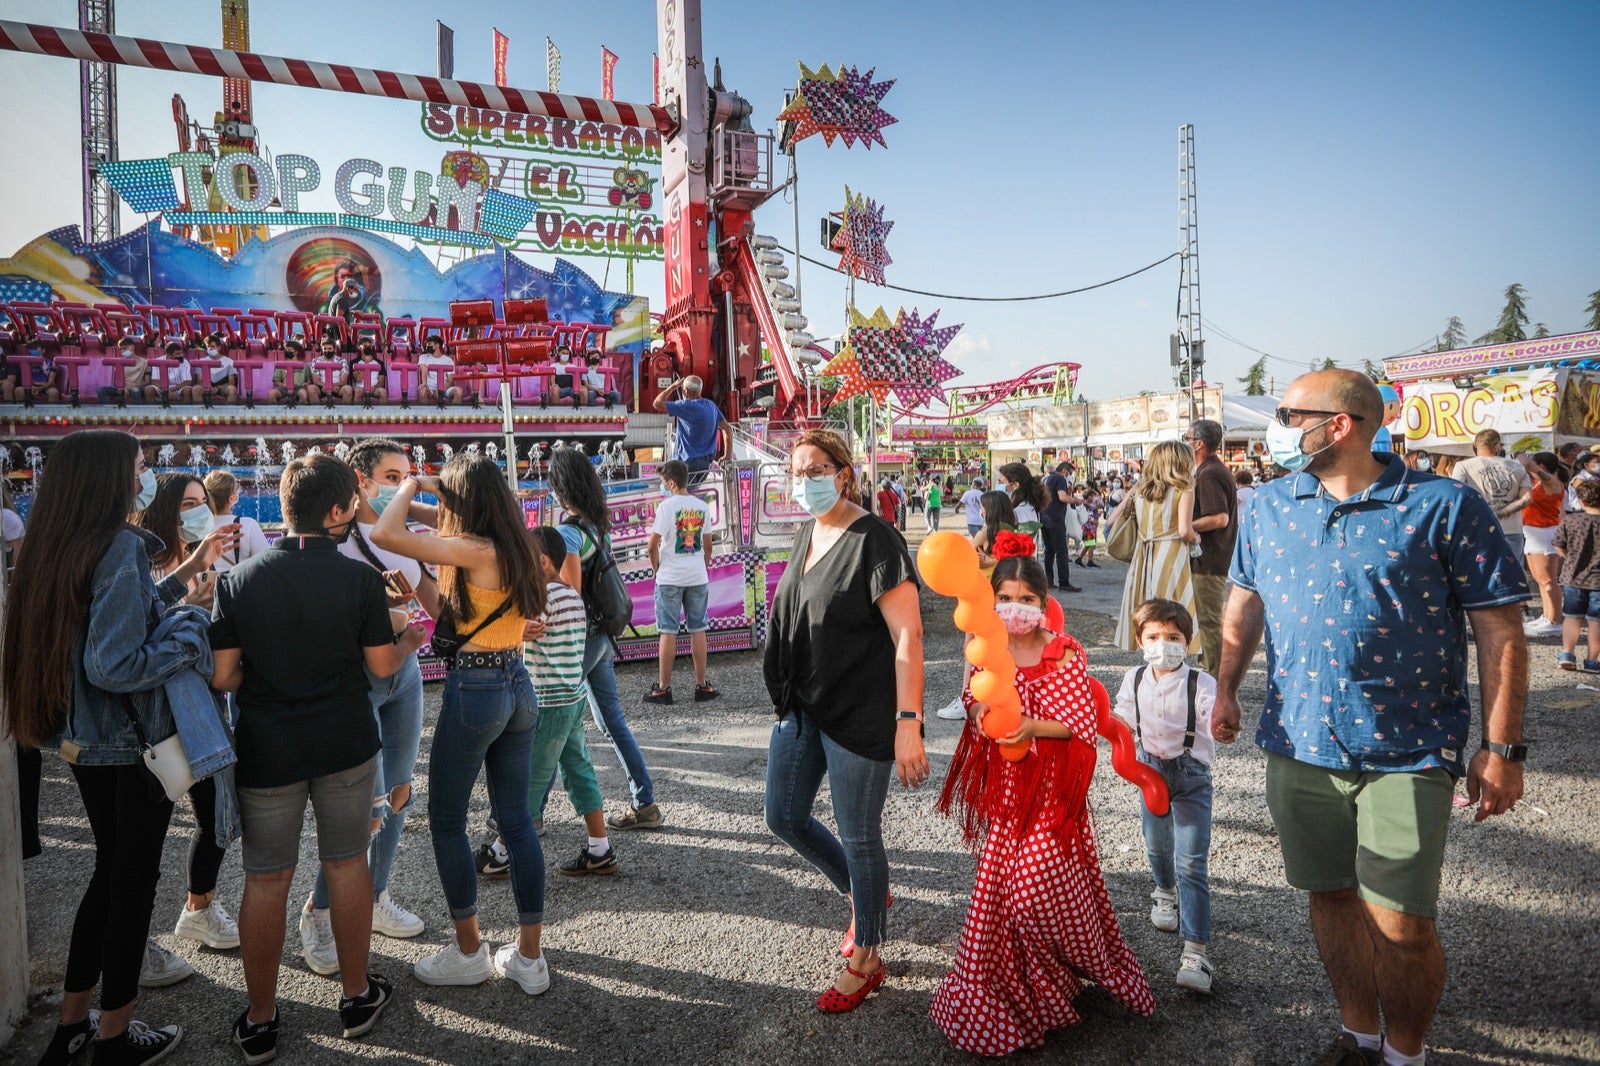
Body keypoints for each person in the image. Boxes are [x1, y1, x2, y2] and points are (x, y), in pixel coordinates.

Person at [1214, 370, 1530, 1066]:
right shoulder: (1268, 506)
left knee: (1403, 924)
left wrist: (1502, 747)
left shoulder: (1444, 506)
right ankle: (1358, 1035)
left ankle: (1405, 1053)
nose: (1277, 424)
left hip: (1409, 751)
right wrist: (1226, 688)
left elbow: (1501, 632)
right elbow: (1243, 604)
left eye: (1289, 413)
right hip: (1297, 745)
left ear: (1342, 424)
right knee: (1329, 899)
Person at [2, 430, 230, 1066]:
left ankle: (73, 1025)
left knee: (108, 880)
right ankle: (115, 1036)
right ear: (109, 477)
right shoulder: (121, 545)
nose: (144, 478)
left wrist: (179, 589)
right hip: (131, 750)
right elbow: (115, 661)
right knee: (131, 888)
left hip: (87, 745)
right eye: (138, 467)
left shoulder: (60, 543)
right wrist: (189, 632)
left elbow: (109, 623)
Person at [210, 454, 426, 1060]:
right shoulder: (357, 581)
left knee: (266, 877)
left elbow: (224, 677)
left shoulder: (238, 580)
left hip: (268, 745)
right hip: (343, 743)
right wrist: (409, 636)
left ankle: (260, 1017)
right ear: (337, 511)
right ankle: (356, 997)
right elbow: (382, 666)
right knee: (347, 866)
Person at [930, 551, 1154, 1054]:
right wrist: (979, 709)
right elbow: (971, 705)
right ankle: (1033, 992)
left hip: (1051, 796)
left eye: (1025, 599)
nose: (1014, 608)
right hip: (1006, 797)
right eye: (1004, 599)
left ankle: (1072, 964)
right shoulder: (984, 649)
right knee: (1004, 903)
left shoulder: (1064, 652)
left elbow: (1079, 726)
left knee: (1032, 895)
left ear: (1043, 602)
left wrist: (1031, 727)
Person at [370, 456, 552, 995]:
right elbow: (420, 516)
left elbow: (386, 530)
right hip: (517, 683)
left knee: (446, 819)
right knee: (516, 822)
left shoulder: (476, 549)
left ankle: (470, 951)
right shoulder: (512, 538)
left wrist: (411, 483)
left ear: (464, 500)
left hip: (477, 688)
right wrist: (435, 493)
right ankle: (530, 959)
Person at [763, 428, 927, 1013]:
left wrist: (909, 721)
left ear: (842, 473)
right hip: (803, 702)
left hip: (860, 709)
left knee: (859, 833)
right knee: (782, 815)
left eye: (814, 469)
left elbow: (907, 634)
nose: (803, 480)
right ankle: (866, 896)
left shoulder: (875, 538)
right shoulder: (810, 531)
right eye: (795, 471)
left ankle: (868, 954)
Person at [295, 440, 437, 977]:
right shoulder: (337, 537)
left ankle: (375, 897)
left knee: (399, 793)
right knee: (366, 810)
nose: (403, 483)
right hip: (360, 679)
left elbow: (436, 604)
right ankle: (319, 911)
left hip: (405, 675)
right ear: (360, 478)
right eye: (391, 474)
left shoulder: (406, 537)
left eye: (408, 473)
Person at [132, 475, 246, 962]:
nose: (200, 511)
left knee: (217, 812)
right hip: (155, 716)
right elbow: (137, 637)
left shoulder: (212, 559)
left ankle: (198, 907)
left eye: (203, 503)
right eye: (189, 504)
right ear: (163, 510)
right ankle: (137, 942)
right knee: (146, 827)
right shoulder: (145, 565)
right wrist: (191, 606)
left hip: (204, 705)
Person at [548, 448, 663, 831]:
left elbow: (568, 593)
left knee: (551, 723)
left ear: (559, 487)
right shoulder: (597, 525)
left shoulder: (567, 534)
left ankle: (528, 816)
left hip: (577, 641)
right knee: (612, 722)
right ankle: (644, 802)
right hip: (601, 639)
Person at [1113, 598, 1218, 993]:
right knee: (1157, 846)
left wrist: (1224, 725)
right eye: (1154, 636)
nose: (1163, 644)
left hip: (1191, 777)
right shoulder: (1134, 678)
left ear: (1187, 642)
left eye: (1172, 637)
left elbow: (1216, 717)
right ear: (1141, 641)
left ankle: (1196, 951)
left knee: (1191, 862)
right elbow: (1121, 716)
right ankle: (1163, 892)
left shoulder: (1202, 683)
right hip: (1148, 771)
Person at [1109, 440, 1200, 652]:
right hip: (1171, 553)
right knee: (1172, 609)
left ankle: (1147, 647)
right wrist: (1197, 538)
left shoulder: (1139, 489)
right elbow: (1185, 530)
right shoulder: (1184, 489)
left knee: (1147, 607)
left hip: (1143, 555)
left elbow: (1113, 519)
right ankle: (1171, 652)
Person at [644, 459, 717, 704]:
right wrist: (701, 566)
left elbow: (652, 545)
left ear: (672, 482)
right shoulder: (702, 507)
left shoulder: (666, 507)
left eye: (664, 483)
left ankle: (663, 688)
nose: (663, 486)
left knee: (668, 630)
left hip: (670, 577)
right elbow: (708, 545)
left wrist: (656, 569)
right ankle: (702, 685)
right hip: (697, 574)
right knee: (698, 629)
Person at [1184, 420, 1238, 675]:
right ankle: (1210, 670)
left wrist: (1185, 526)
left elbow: (1219, 517)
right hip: (1212, 558)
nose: (1184, 441)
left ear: (1199, 443)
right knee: (1207, 620)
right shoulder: (1211, 470)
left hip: (1209, 560)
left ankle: (1213, 674)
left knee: (1208, 621)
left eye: (1187, 437)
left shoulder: (1209, 473)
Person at [1454, 429, 1532, 559]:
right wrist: (1501, 513)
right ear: (1497, 446)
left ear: (1475, 445)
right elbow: (1527, 498)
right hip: (1511, 529)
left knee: (1482, 572)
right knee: (1512, 573)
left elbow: (1456, 495)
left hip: (1478, 527)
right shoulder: (1517, 466)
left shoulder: (1463, 466)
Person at [1519, 451, 1568, 637]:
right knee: (1540, 580)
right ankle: (1546, 616)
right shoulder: (1539, 482)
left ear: (1543, 466)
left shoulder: (1552, 482)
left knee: (1549, 581)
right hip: (1531, 532)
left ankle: (1554, 620)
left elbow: (1528, 465)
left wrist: (1519, 454)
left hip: (1545, 533)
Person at [1555, 478, 1600, 671]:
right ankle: (1592, 659)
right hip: (1598, 580)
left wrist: (1570, 558)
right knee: (1596, 622)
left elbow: (1558, 545)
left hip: (1573, 577)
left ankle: (1567, 653)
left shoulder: (1571, 520)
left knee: (1572, 617)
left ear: (1582, 501)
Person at [652, 373, 730, 477]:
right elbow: (727, 428)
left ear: (686, 390)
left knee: (676, 491)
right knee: (694, 491)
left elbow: (657, 403)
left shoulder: (686, 406)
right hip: (704, 464)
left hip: (685, 464)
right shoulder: (711, 406)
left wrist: (672, 387)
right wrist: (727, 455)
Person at [203, 472, 272, 575]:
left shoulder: (200, 527)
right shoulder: (247, 525)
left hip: (209, 588)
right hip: (240, 587)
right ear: (231, 498)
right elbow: (266, 562)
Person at [1037, 461, 1081, 592]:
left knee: (1049, 550)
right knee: (1061, 551)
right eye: (1070, 473)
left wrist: (1069, 491)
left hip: (1044, 517)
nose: (1070, 476)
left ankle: (1049, 580)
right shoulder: (1060, 478)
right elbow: (1062, 497)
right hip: (1056, 518)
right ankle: (1064, 582)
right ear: (1065, 471)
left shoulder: (1047, 478)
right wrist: (1076, 500)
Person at [98, 337, 158, 405]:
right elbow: (116, 381)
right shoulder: (119, 363)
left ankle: (139, 412)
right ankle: (111, 410)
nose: (122, 351)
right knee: (101, 390)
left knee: (135, 391)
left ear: (131, 347)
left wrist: (137, 386)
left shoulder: (145, 362)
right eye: (120, 349)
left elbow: (147, 382)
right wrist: (122, 387)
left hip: (137, 387)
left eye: (124, 348)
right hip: (123, 387)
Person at [998, 462, 1046, 535]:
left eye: (1001, 482)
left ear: (1015, 485)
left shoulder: (1021, 511)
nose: (998, 486)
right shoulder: (1026, 507)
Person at [269, 339, 318, 405]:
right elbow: (276, 380)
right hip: (284, 388)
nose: (287, 351)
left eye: (289, 350)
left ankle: (300, 413)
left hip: (298, 387)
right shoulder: (281, 365)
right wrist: (284, 385)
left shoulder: (304, 366)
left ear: (296, 352)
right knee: (271, 394)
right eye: (286, 350)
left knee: (303, 394)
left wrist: (306, 384)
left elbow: (309, 380)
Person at [416, 337, 462, 405]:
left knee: (459, 391)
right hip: (430, 388)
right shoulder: (423, 357)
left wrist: (441, 390)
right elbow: (424, 371)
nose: (427, 346)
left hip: (444, 388)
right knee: (422, 391)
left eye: (429, 344)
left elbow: (451, 380)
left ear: (437, 345)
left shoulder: (448, 360)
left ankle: (453, 413)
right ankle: (425, 414)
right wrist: (425, 385)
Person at [201, 334, 240, 404]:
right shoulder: (201, 361)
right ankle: (198, 414)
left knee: (232, 389)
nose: (210, 349)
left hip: (222, 388)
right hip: (206, 387)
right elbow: (199, 381)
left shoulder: (229, 362)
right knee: (196, 389)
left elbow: (231, 383)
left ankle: (231, 414)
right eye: (208, 347)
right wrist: (208, 387)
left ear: (219, 347)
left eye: (212, 346)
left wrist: (218, 388)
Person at [1075, 485, 1103, 569]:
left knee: (1089, 544)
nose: (1094, 499)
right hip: (1087, 527)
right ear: (1089, 496)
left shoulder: (1089, 506)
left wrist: (1097, 515)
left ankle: (1080, 559)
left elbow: (1092, 515)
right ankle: (1089, 561)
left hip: (1090, 526)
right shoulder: (1084, 505)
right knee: (1091, 544)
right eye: (1093, 497)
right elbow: (1085, 517)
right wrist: (1093, 521)